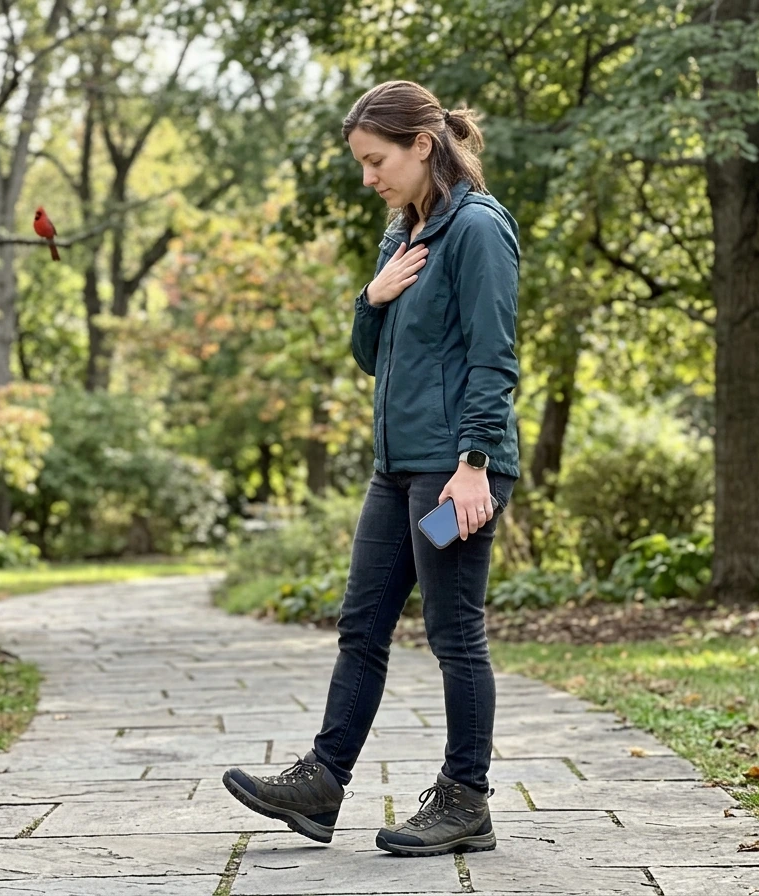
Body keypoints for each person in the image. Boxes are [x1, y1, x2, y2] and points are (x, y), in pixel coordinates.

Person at [222, 79, 520, 858]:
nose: (368, 178)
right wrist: (371, 297)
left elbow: (494, 359)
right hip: (398, 470)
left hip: (456, 469)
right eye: (361, 163)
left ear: (424, 145)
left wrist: (476, 464)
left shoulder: (479, 230)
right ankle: (323, 785)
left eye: (376, 160)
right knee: (362, 626)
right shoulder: (402, 234)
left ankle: (467, 800)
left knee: (454, 632)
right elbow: (372, 359)